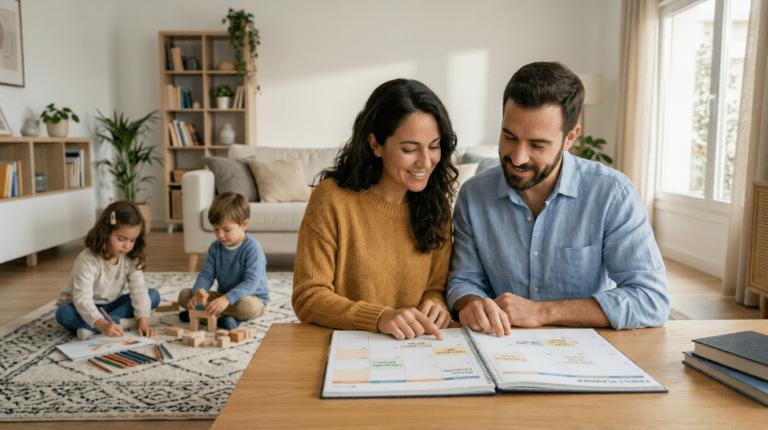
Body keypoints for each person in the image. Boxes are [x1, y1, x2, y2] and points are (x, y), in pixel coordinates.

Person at [447, 61, 669, 336]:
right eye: (509, 137)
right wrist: (470, 303)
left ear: (570, 137)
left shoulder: (612, 193)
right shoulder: (474, 195)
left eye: (537, 145)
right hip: (501, 348)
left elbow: (651, 299)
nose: (518, 157)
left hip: (587, 353)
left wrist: (543, 312)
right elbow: (463, 280)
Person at [292, 78, 458, 340]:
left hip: (415, 348)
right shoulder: (331, 199)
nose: (426, 162)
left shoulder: (436, 204)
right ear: (375, 145)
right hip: (347, 348)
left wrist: (436, 303)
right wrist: (379, 317)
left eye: (434, 146)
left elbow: (435, 287)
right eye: (409, 149)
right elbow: (308, 297)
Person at [55, 201, 160, 340]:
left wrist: (144, 323)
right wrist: (102, 324)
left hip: (111, 306)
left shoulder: (130, 256)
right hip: (80, 306)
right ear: (106, 232)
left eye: (132, 240)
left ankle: (90, 328)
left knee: (153, 295)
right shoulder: (87, 259)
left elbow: (139, 289)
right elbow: (82, 300)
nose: (127, 246)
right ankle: (123, 323)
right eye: (121, 239)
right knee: (63, 314)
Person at [178, 191, 269, 330]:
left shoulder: (253, 249)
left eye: (226, 230)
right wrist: (198, 295)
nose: (220, 235)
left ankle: (201, 313)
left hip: (250, 298)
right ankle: (213, 315)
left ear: (244, 224)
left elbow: (251, 283)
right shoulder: (215, 248)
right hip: (223, 296)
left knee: (246, 307)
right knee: (184, 295)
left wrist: (227, 299)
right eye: (216, 229)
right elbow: (206, 276)